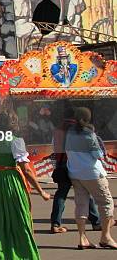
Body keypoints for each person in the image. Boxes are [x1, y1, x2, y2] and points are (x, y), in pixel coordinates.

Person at [0, 111, 50, 260]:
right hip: (12, 181)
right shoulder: (16, 141)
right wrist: (41, 191)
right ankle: (20, 250)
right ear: (13, 124)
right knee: (19, 216)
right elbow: (26, 170)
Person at [65, 107, 116, 250]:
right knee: (106, 203)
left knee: (81, 205)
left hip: (75, 173)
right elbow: (97, 155)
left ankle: (82, 238)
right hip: (93, 174)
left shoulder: (69, 133)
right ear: (88, 119)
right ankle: (105, 237)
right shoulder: (89, 134)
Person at [50, 107, 101, 234]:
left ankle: (55, 224)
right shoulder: (78, 129)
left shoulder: (57, 129)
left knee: (61, 195)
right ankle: (96, 222)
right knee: (86, 193)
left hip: (61, 164)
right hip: (76, 165)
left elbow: (54, 146)